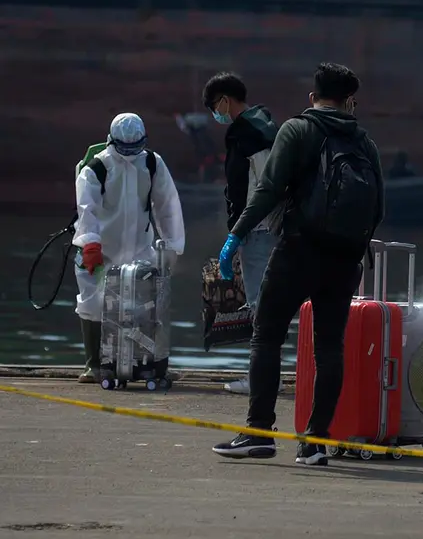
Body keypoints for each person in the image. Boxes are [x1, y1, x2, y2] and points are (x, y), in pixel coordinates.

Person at [212, 62, 385, 467]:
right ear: (350, 101)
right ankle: (315, 443)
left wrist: (237, 233)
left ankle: (259, 433)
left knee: (266, 335)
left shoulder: (297, 129)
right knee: (329, 347)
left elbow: (269, 188)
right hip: (345, 257)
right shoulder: (365, 143)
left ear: (313, 97)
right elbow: (378, 208)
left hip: (300, 249)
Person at [73, 113, 186, 383]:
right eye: (125, 149)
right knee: (93, 302)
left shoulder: (151, 163)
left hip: (139, 248)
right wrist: (90, 243)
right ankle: (95, 364)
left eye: (135, 148)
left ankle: (149, 363)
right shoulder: (96, 168)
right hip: (102, 250)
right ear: (112, 142)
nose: (130, 155)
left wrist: (171, 245)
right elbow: (86, 208)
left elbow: (167, 204)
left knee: (148, 306)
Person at [201, 72, 280, 396]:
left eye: (213, 106)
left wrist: (239, 231)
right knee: (266, 305)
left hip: (259, 229)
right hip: (263, 227)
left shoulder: (249, 133)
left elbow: (265, 185)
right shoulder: (262, 126)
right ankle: (262, 375)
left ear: (224, 100)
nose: (214, 113)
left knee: (260, 307)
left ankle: (259, 381)